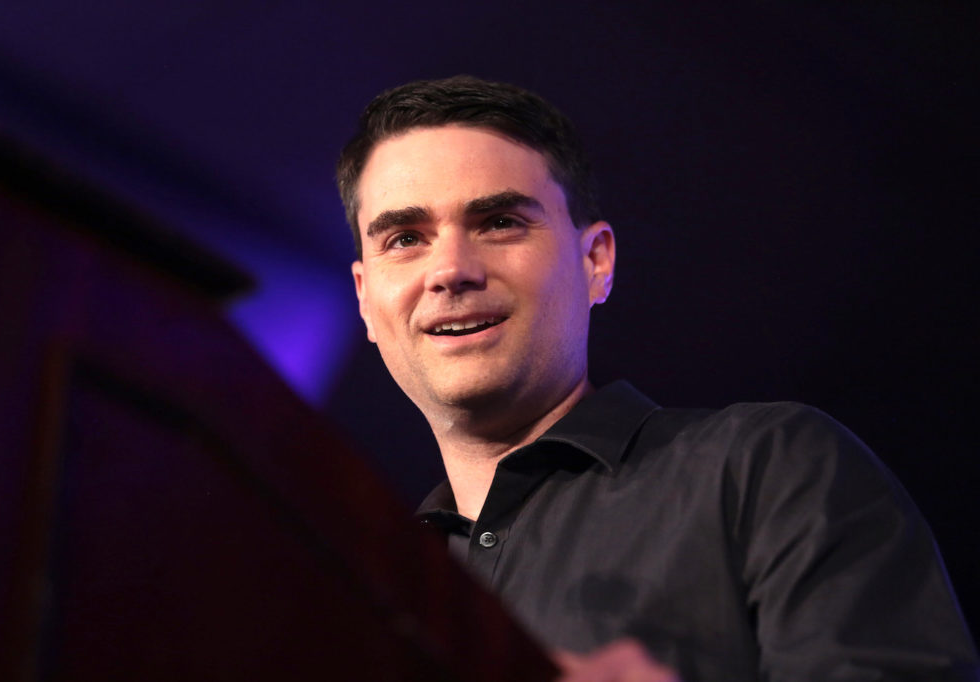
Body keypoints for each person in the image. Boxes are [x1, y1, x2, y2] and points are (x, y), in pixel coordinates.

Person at [335, 75, 978, 681]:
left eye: (500, 222)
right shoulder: (366, 584)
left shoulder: (764, 468)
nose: (450, 269)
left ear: (596, 261)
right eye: (404, 238)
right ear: (365, 298)